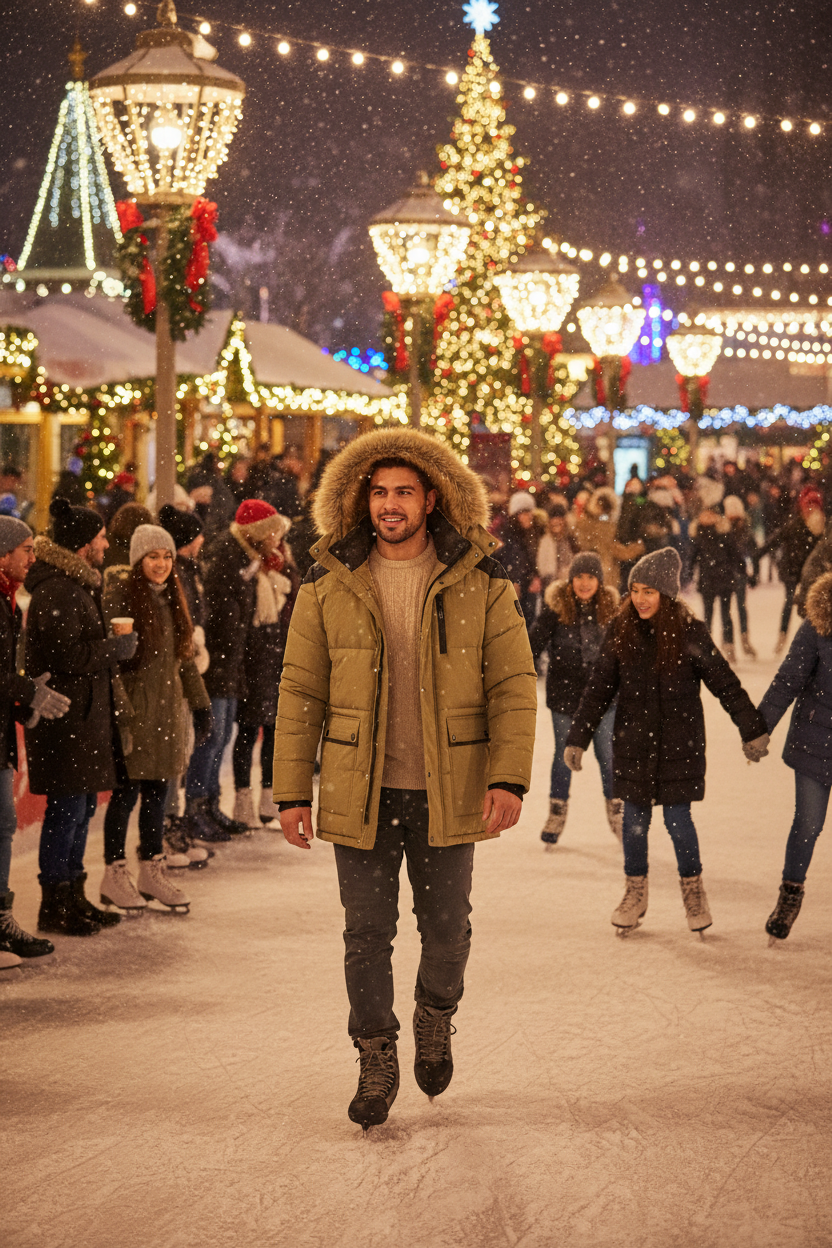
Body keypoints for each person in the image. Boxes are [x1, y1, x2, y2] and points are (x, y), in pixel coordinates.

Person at [274, 428, 536, 1131]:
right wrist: (293, 790)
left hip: (449, 787)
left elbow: (513, 685)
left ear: (431, 498)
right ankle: (375, 1052)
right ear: (363, 499)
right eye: (380, 492)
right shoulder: (328, 584)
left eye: (404, 492)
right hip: (362, 787)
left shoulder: (480, 583)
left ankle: (434, 1013)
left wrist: (507, 776)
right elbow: (300, 692)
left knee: (447, 930)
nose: (390, 505)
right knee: (366, 933)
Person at [565, 547, 769, 938]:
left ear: (667, 594)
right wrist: (578, 737)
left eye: (649, 591)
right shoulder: (621, 630)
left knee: (678, 821)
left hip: (680, 744)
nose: (640, 599)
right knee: (635, 823)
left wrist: (752, 727)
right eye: (636, 590)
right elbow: (598, 690)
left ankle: (694, 893)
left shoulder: (690, 633)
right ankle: (635, 893)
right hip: (634, 744)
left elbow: (724, 683)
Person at [25, 497, 138, 937]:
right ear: (82, 544)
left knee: (81, 807)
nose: (106, 543)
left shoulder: (74, 586)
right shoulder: (58, 590)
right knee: (67, 811)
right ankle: (55, 902)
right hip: (66, 721)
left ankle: (74, 895)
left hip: (82, 718)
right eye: (100, 537)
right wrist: (116, 648)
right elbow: (66, 655)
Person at [99, 525, 212, 913]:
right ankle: (114, 875)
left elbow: (183, 658)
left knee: (158, 794)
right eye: (153, 557)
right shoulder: (121, 597)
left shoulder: (172, 598)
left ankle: (151, 870)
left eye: (166, 556)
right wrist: (122, 713)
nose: (162, 564)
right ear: (137, 561)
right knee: (127, 794)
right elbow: (111, 665)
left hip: (166, 714)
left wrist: (200, 705)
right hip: (135, 715)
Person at [183, 499, 289, 843]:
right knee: (212, 739)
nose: (277, 539)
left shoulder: (249, 560)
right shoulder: (230, 560)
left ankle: (210, 805)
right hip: (220, 667)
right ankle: (198, 808)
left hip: (234, 666)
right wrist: (232, 656)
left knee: (222, 738)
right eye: (271, 531)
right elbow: (223, 620)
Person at [0, 519, 70, 968]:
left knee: (3, 825)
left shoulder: (9, 600)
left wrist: (22, 702)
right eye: (25, 549)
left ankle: (1, 918)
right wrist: (26, 692)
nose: (32, 557)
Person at [757, 571, 832, 943]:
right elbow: (789, 679)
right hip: (816, 741)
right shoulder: (819, 622)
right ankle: (790, 894)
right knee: (808, 824)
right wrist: (759, 727)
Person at [528, 552, 621, 847]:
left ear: (599, 581)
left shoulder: (611, 611)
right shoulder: (556, 608)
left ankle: (618, 813)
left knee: (607, 756)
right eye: (579, 577)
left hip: (602, 698)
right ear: (571, 580)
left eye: (590, 578)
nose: (584, 583)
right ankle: (556, 813)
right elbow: (531, 644)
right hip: (565, 696)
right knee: (564, 756)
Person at [231, 511, 298, 828]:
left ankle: (268, 798)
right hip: (254, 658)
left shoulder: (281, 563)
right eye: (273, 534)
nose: (278, 540)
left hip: (276, 655)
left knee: (273, 729)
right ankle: (243, 799)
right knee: (248, 729)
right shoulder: (248, 566)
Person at [756, 485, 825, 651]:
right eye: (809, 505)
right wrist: (757, 554)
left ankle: (811, 639)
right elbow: (775, 540)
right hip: (792, 570)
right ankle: (783, 634)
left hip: (811, 573)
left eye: (814, 506)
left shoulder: (822, 527)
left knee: (811, 605)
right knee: (789, 602)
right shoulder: (794, 525)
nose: (811, 510)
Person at [497, 491, 542, 627]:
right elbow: (510, 559)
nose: (528, 516)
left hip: (528, 583)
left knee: (529, 619)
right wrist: (514, 581)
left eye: (529, 512)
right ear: (515, 516)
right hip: (517, 585)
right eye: (523, 513)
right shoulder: (509, 534)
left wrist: (535, 576)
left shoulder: (534, 532)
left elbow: (532, 559)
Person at [536, 503, 578, 591]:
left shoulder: (571, 539)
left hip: (570, 585)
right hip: (550, 585)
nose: (556, 522)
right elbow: (541, 565)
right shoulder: (545, 541)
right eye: (553, 519)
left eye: (559, 519)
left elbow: (577, 558)